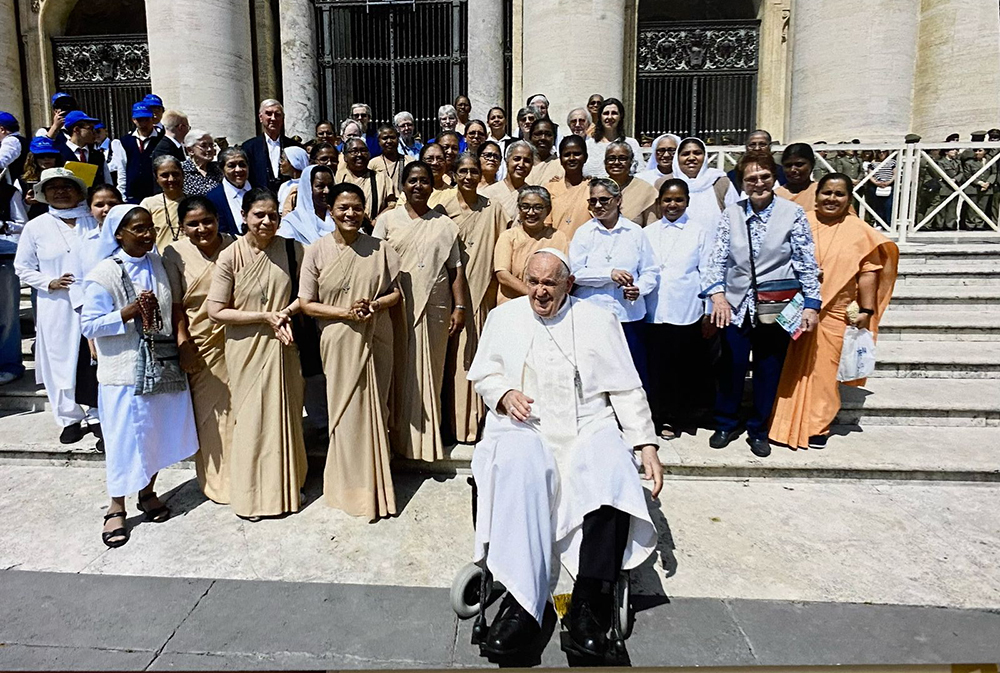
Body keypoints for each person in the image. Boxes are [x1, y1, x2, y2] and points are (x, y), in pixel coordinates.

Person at [467, 249, 663, 658]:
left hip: (587, 423)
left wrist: (645, 442)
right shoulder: (504, 318)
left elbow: (626, 388)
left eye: (549, 284)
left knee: (612, 467)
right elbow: (484, 373)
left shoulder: (598, 319)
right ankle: (521, 603)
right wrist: (503, 393)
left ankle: (588, 603)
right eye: (533, 281)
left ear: (568, 284)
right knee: (518, 466)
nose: (539, 291)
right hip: (527, 425)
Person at [81, 204, 198, 548]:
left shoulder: (157, 264)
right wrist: (126, 313)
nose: (148, 235)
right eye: (139, 230)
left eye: (150, 228)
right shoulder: (103, 273)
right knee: (123, 439)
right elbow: (89, 324)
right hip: (124, 371)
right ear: (119, 234)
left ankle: (147, 492)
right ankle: (115, 506)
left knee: (155, 433)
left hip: (158, 364)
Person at [701, 151, 821, 458]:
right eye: (751, 178)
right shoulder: (732, 213)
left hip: (777, 304)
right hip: (737, 304)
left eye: (764, 177)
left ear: (775, 178)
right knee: (732, 365)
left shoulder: (792, 214)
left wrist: (811, 304)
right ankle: (726, 422)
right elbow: (718, 257)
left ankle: (758, 429)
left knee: (769, 368)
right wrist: (717, 295)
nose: (758, 183)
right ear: (742, 183)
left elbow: (806, 261)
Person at [769, 173, 898, 450]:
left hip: (836, 312)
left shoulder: (858, 230)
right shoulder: (800, 221)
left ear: (849, 199)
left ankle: (817, 425)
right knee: (787, 367)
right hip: (796, 308)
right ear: (816, 197)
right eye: (826, 193)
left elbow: (869, 273)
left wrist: (866, 309)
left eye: (839, 194)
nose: (832, 199)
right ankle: (781, 423)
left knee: (824, 372)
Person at [299, 183, 402, 520]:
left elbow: (395, 294)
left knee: (375, 411)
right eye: (343, 208)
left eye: (356, 208)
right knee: (344, 414)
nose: (350, 214)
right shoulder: (316, 250)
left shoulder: (380, 248)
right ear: (331, 211)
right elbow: (307, 304)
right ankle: (346, 488)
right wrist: (344, 313)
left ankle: (375, 485)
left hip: (375, 336)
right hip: (338, 340)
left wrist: (373, 305)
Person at [207, 188, 308, 519]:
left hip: (284, 343)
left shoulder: (293, 249)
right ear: (244, 217)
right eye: (259, 215)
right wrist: (264, 317)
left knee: (286, 417)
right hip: (246, 347)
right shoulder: (230, 256)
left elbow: (307, 295)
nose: (267, 221)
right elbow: (217, 311)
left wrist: (284, 313)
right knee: (252, 419)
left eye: (273, 215)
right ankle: (252, 496)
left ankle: (288, 487)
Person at [372, 161, 467, 462]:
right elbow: (374, 265)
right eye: (412, 180)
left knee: (431, 370)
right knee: (399, 367)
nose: (418, 186)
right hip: (396, 305)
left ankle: (427, 442)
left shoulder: (445, 224)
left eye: (424, 181)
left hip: (436, 306)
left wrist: (460, 306)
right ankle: (398, 439)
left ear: (432, 185)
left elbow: (456, 270)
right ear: (402, 185)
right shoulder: (387, 221)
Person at [14, 168, 101, 443]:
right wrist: (48, 282)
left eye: (67, 186)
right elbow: (22, 267)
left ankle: (98, 413)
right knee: (60, 359)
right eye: (54, 187)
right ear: (43, 193)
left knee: (95, 358)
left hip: (95, 301)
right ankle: (69, 417)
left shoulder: (93, 220)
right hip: (57, 305)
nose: (61, 191)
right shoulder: (36, 227)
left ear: (79, 191)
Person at [163, 195, 235, 503]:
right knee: (210, 418)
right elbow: (176, 305)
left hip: (239, 340)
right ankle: (220, 483)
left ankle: (250, 476)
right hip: (201, 344)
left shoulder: (236, 244)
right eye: (193, 224)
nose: (202, 228)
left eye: (207, 221)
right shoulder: (173, 253)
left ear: (218, 219)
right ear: (182, 227)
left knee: (243, 414)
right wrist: (183, 344)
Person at [437, 153, 508, 444]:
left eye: (474, 172)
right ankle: (451, 424)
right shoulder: (441, 207)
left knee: (477, 356)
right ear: (454, 174)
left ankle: (473, 424)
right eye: (463, 171)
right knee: (453, 361)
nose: (468, 177)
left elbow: (504, 242)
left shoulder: (493, 208)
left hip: (484, 293)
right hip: (451, 294)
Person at [643, 179, 715, 438]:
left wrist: (709, 310)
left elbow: (707, 271)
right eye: (667, 200)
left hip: (685, 308)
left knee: (680, 368)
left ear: (687, 201)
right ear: (659, 202)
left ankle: (675, 418)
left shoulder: (699, 232)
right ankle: (655, 416)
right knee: (656, 367)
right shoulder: (648, 233)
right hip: (654, 309)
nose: (672, 205)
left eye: (679, 200)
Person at [570, 177, 657, 384]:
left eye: (604, 200)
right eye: (593, 201)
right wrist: (608, 274)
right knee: (596, 372)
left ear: (618, 200)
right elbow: (575, 272)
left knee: (632, 372)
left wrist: (639, 288)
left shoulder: (635, 232)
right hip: (594, 314)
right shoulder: (584, 233)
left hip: (628, 314)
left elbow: (650, 271)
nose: (598, 205)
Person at [494, 186, 568, 304]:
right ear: (519, 209)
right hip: (513, 304)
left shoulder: (559, 237)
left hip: (548, 304)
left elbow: (565, 275)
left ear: (548, 210)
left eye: (538, 208)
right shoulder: (508, 237)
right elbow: (503, 275)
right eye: (525, 207)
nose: (531, 212)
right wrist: (534, 293)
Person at [0, 156, 28, 385]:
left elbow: (23, 224)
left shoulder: (9, 193)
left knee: (7, 316)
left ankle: (10, 365)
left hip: (4, 258)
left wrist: (4, 226)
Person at [672, 137, 739, 229]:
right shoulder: (668, 183)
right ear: (677, 158)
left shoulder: (720, 182)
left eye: (697, 153)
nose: (691, 158)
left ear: (705, 156)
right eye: (685, 154)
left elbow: (736, 217)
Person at [241, 99, 299, 193]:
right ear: (260, 117)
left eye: (277, 114)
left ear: (283, 119)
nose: (273, 118)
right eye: (268, 114)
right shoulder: (249, 147)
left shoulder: (294, 146)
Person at [106, 103, 160, 203]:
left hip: (156, 194)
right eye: (140, 120)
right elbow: (122, 169)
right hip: (132, 195)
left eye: (146, 119)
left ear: (152, 119)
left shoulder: (161, 140)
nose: (143, 124)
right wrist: (122, 194)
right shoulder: (125, 141)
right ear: (133, 120)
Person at [336, 137, 395, 224]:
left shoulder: (381, 178)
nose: (359, 155)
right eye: (354, 151)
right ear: (345, 157)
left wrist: (377, 220)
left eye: (363, 151)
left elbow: (393, 204)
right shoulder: (339, 178)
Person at [584, 98, 642, 179]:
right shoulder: (588, 145)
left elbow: (640, 173)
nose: (610, 117)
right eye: (606, 113)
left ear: (620, 116)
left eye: (614, 113)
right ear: (600, 117)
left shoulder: (632, 144)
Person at [277, 165, 336, 244]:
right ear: (307, 188)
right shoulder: (292, 222)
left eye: (330, 186)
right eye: (320, 186)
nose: (327, 191)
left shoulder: (339, 217)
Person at [604, 142, 658, 226]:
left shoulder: (646, 190)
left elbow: (652, 228)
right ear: (605, 163)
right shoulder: (596, 188)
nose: (617, 162)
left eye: (622, 158)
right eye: (611, 158)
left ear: (631, 162)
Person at [480, 140, 535, 221]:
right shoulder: (487, 194)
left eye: (527, 161)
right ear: (507, 161)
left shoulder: (532, 196)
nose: (521, 164)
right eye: (517, 159)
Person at [140, 155, 186, 252]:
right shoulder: (148, 204)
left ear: (183, 174)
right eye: (165, 175)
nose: (171, 179)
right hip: (159, 260)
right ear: (156, 178)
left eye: (175, 174)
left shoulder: (194, 202)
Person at [549, 135, 592, 237]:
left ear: (585, 157)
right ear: (560, 160)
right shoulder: (550, 189)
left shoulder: (593, 188)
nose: (572, 158)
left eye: (577, 154)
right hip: (556, 248)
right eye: (567, 155)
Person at [205, 147, 251, 237]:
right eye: (231, 166)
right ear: (222, 169)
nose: (238, 169)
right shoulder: (213, 198)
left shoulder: (261, 190)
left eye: (242, 165)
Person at [16, 137, 64, 221]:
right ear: (33, 158)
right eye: (41, 156)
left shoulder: (66, 178)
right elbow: (16, 213)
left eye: (51, 155)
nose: (46, 159)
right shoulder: (22, 181)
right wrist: (27, 203)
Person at [59, 111, 111, 185]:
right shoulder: (59, 154)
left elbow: (107, 182)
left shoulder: (98, 155)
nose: (94, 133)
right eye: (90, 129)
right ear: (76, 130)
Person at [775, 143, 821, 211]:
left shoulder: (821, 192)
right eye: (788, 165)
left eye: (799, 165)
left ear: (812, 164)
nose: (793, 170)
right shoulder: (775, 196)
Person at [177, 129, 221, 198]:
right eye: (203, 146)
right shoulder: (180, 170)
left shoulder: (219, 169)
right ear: (190, 150)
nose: (209, 149)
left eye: (211, 145)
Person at [369, 124, 408, 197]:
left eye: (392, 137)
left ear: (398, 139)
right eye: (385, 138)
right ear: (379, 141)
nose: (389, 141)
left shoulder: (409, 161)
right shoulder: (373, 164)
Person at [962, 147, 995, 230]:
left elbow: (994, 173)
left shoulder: (990, 161)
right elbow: (968, 175)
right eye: (975, 151)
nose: (977, 153)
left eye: (980, 151)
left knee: (982, 207)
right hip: (973, 188)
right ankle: (970, 224)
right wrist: (980, 183)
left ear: (985, 152)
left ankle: (979, 224)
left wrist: (988, 183)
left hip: (987, 188)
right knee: (971, 208)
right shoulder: (969, 162)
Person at [525, 119, 563, 186]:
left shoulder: (561, 165)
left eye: (548, 134)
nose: (543, 138)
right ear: (530, 138)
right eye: (538, 134)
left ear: (554, 138)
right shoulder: (522, 164)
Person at [419, 143, 458, 207]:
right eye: (430, 159)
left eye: (439, 159)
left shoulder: (454, 194)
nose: (435, 163)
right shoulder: (412, 191)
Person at [276, 146, 310, 214]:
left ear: (293, 162)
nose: (280, 163)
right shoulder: (284, 186)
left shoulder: (308, 186)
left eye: (282, 159)